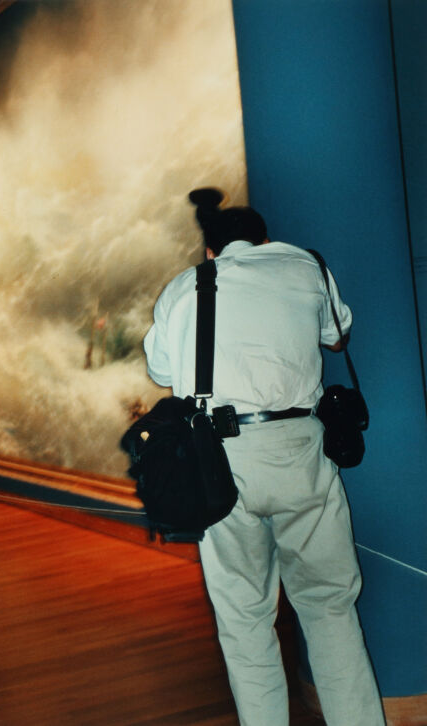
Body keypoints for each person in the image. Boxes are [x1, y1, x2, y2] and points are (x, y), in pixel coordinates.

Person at [142, 189, 384, 726]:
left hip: (219, 460)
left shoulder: (184, 288)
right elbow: (338, 335)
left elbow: (161, 372)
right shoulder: (305, 265)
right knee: (329, 610)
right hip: (301, 447)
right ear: (265, 239)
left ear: (211, 252)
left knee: (246, 620)